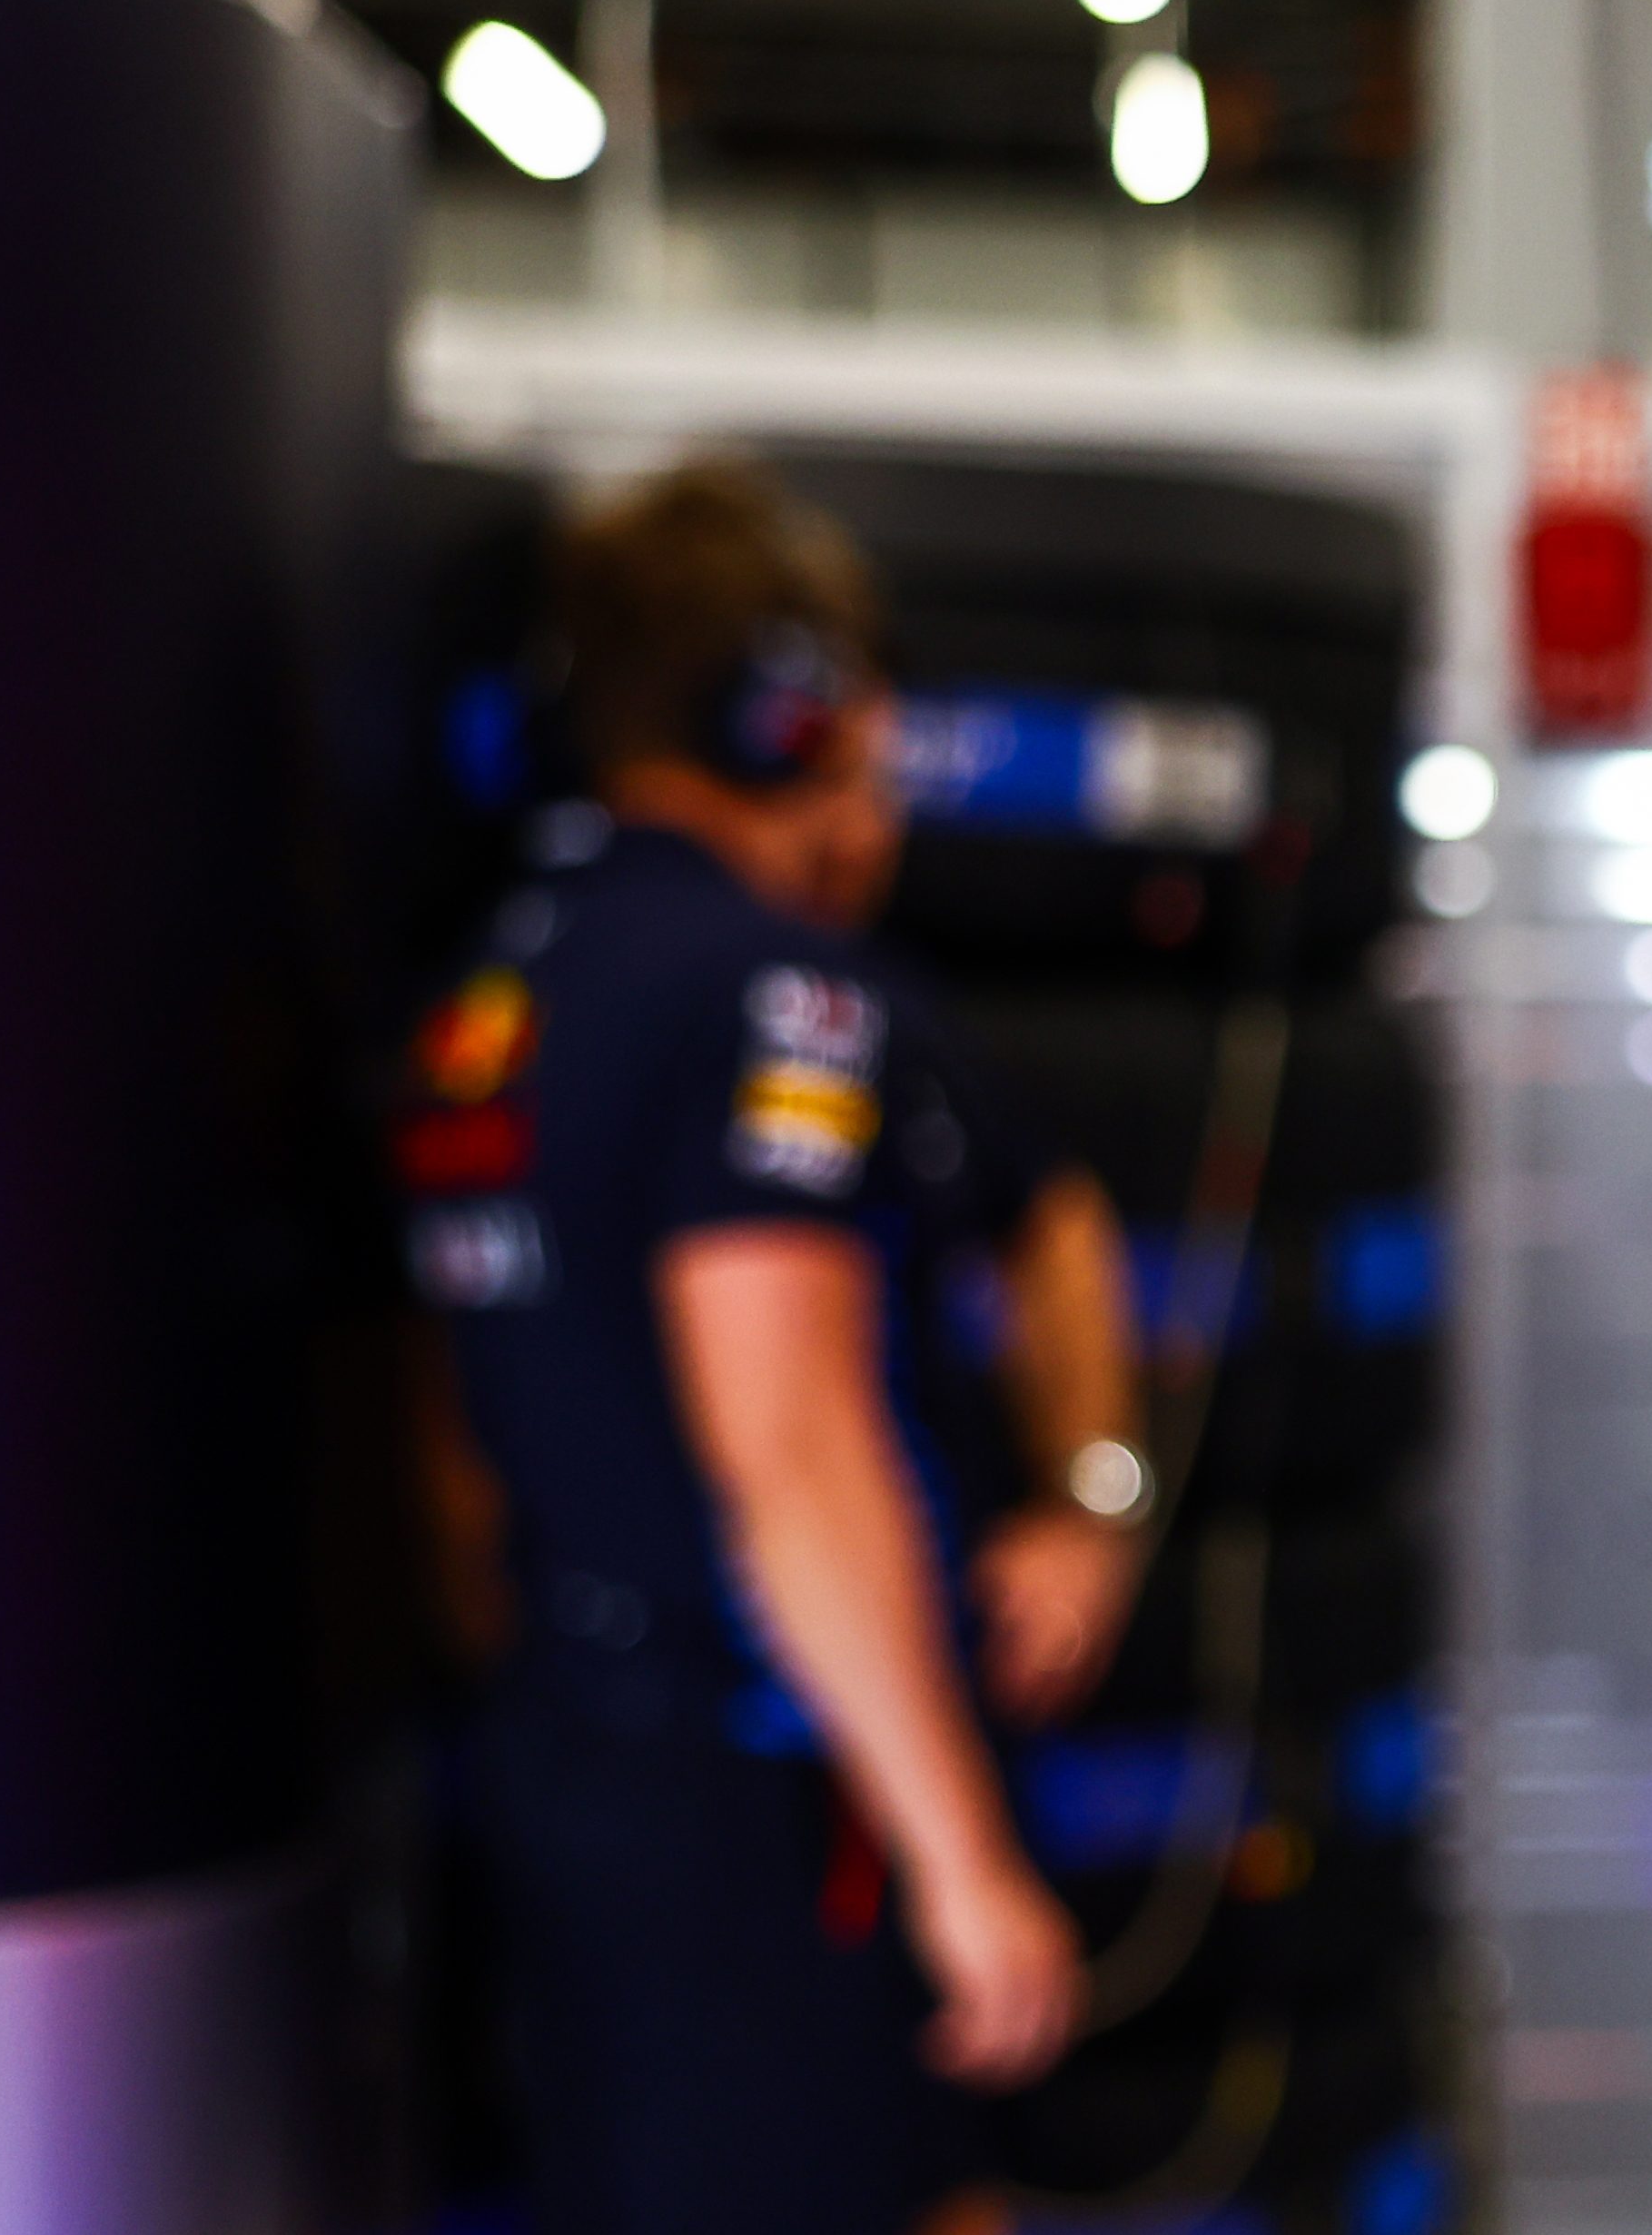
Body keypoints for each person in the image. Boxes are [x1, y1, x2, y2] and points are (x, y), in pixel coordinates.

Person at [398, 460, 1156, 2235]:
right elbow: (793, 1448)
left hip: (566, 1767)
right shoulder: (778, 995)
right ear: (790, 713)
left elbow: (1052, 1224)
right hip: (775, 1799)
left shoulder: (483, 997)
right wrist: (961, 1859)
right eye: (869, 728)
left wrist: (1083, 1497)